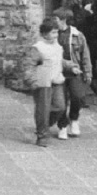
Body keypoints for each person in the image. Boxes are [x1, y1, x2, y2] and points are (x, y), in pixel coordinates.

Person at [23, 17, 66, 147]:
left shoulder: (57, 46)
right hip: (43, 83)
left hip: (57, 80)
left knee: (60, 107)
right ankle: (42, 135)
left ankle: (45, 125)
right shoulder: (38, 48)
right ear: (44, 33)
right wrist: (31, 80)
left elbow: (59, 61)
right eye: (53, 32)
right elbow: (29, 65)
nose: (56, 35)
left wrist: (70, 66)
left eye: (57, 32)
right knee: (43, 109)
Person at [52, 6, 93, 138]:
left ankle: (74, 119)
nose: (54, 21)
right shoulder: (53, 35)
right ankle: (62, 126)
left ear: (63, 19)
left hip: (74, 71)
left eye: (56, 19)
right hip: (59, 72)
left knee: (78, 97)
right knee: (61, 101)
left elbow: (85, 55)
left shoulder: (77, 35)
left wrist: (87, 72)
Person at [61, 0, 97, 87]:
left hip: (86, 39)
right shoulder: (71, 6)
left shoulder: (79, 6)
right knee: (87, 62)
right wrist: (86, 12)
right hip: (78, 40)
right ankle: (91, 85)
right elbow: (76, 22)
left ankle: (94, 83)